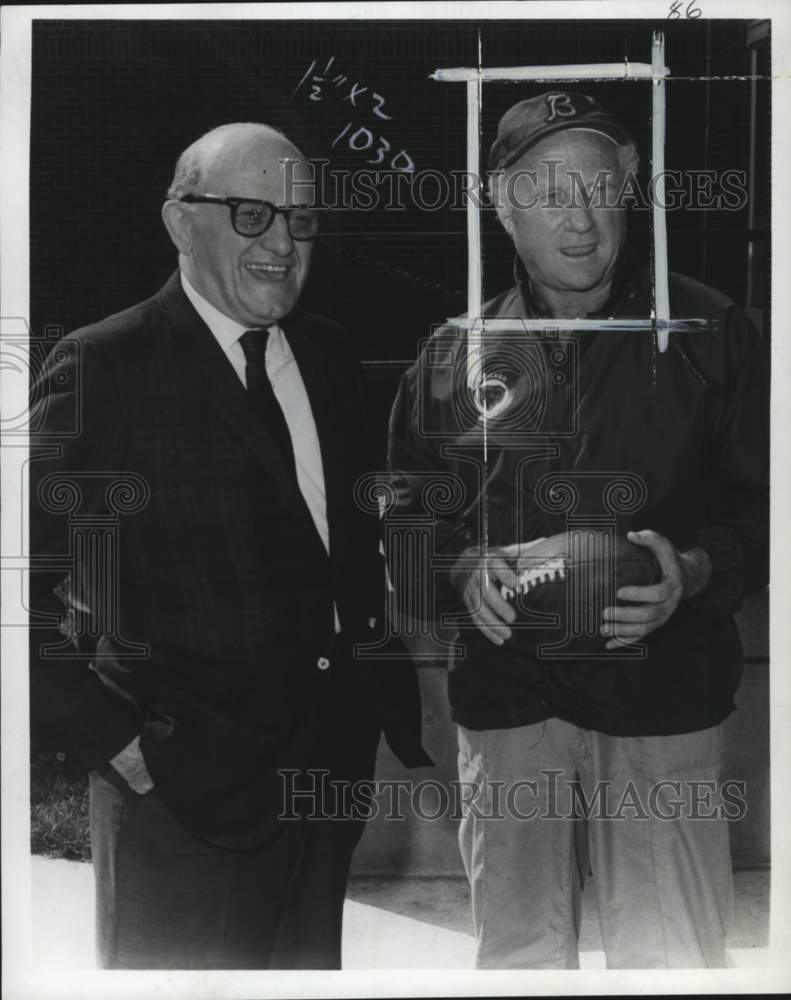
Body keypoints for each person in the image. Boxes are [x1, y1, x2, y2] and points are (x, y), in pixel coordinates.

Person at [29, 121, 429, 970]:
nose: (283, 243)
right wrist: (117, 743)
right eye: (253, 214)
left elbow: (339, 548)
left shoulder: (324, 353)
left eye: (302, 219)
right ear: (181, 221)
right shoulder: (104, 366)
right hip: (178, 800)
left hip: (324, 785)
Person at [387, 92, 769, 968]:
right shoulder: (454, 352)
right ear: (500, 203)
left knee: (667, 956)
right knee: (521, 958)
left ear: (632, 189)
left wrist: (698, 570)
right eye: (549, 191)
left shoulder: (710, 334)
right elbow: (408, 515)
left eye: (600, 188)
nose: (582, 219)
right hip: (508, 696)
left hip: (660, 695)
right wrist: (458, 571)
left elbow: (767, 504)